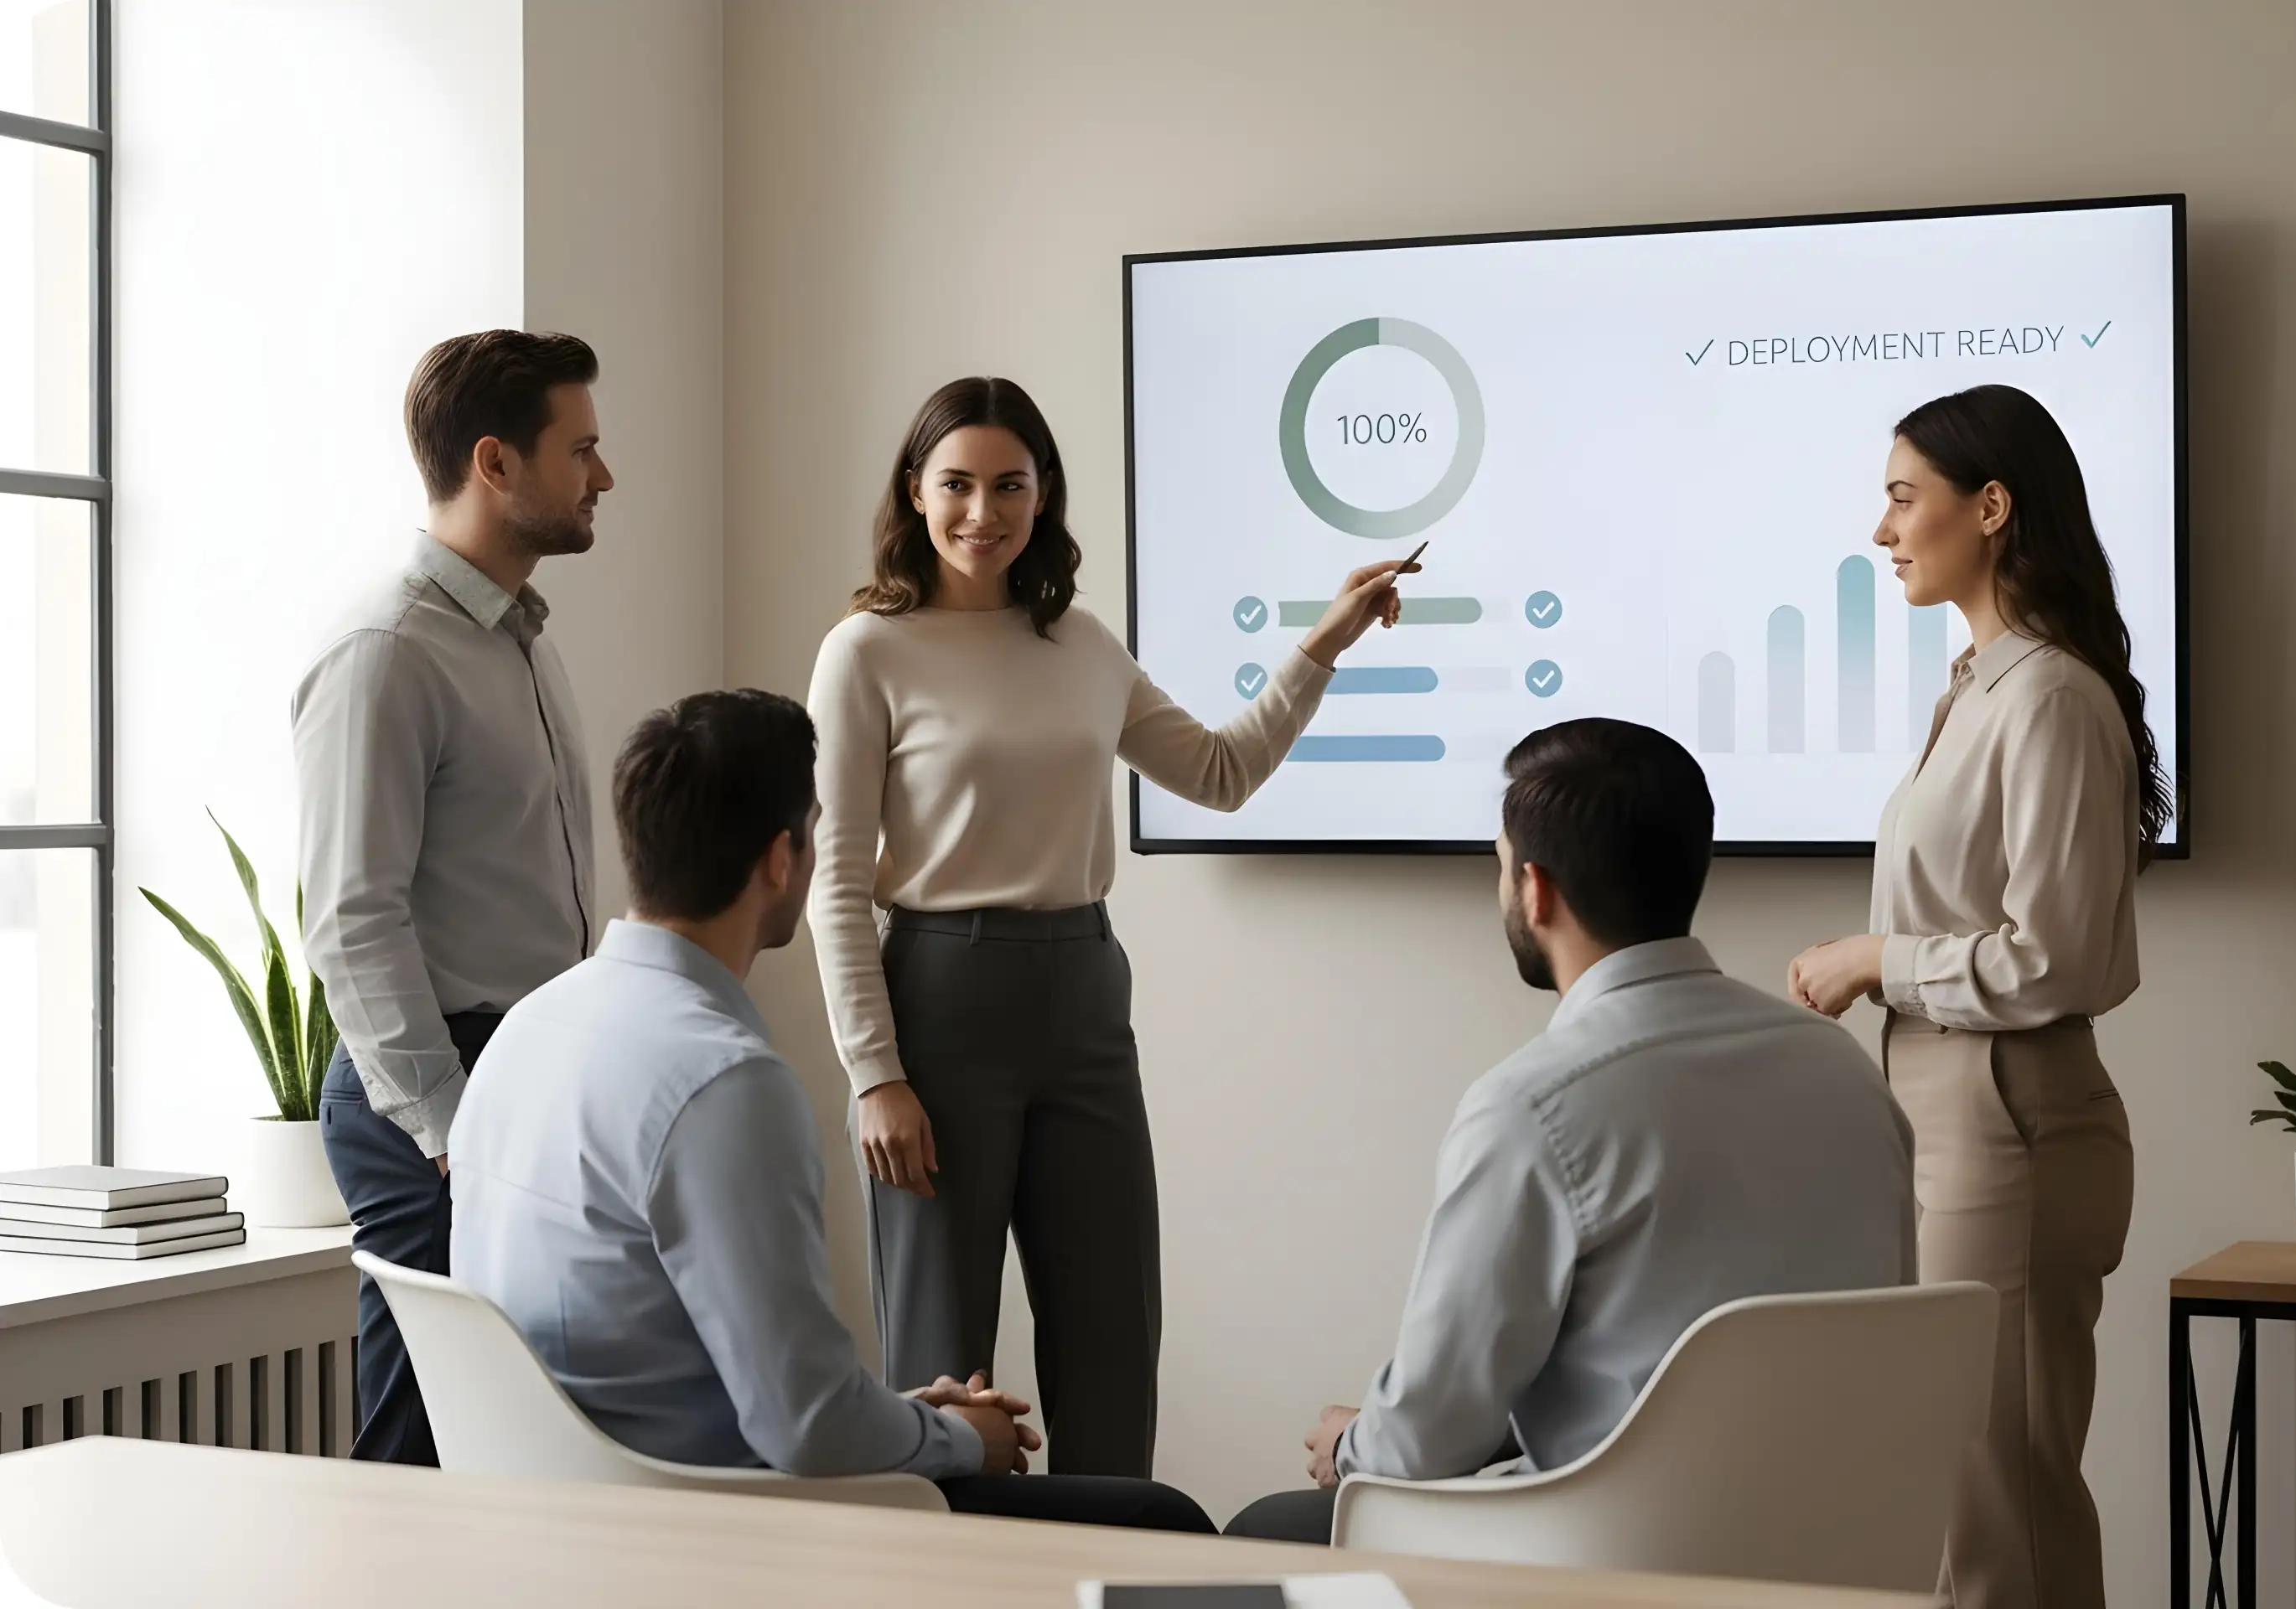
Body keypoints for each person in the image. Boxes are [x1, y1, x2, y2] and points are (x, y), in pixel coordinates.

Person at [806, 376, 1413, 1479]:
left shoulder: (1079, 643)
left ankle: (1105, 1554)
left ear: (1042, 496)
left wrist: (1322, 643)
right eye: (956, 485)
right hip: (939, 1001)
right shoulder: (866, 651)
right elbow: (835, 880)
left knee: (1111, 1342)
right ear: (913, 491)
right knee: (941, 1358)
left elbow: (1219, 772)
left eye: (1008, 486)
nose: (981, 513)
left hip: (1084, 994)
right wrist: (873, 1073)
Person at [448, 689, 1213, 1533]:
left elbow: (758, 1387)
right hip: (698, 1527)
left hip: (548, 1513)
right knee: (1158, 1516)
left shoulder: (528, 1026)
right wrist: (967, 1438)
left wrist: (906, 1419)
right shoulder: (722, 1082)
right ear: (783, 859)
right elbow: (805, 1430)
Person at [1226, 717, 1918, 1544]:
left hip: (1614, 1557)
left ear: (1535, 889)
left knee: (1268, 1529)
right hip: (1839, 1556)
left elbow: (1418, 1450)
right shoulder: (1843, 1071)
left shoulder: (1533, 1108)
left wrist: (1352, 1445)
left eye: (1499, 867)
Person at [1786, 385, 2167, 1609]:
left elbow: (2051, 959)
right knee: (1967, 1492)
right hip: (1953, 1112)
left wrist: (1874, 959)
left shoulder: (2047, 696)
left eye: (1904, 499)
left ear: (1990, 507)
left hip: (2007, 1116)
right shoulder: (1981, 689)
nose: (1881, 530)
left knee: (1999, 1502)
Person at [294, 329, 609, 1466]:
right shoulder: (386, 651)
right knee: (420, 1446)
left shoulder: (521, 641)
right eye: (581, 449)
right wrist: (447, 1126)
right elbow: (350, 917)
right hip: (433, 1094)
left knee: (518, 1442)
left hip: (521, 1074)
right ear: (495, 462)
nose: (605, 475)